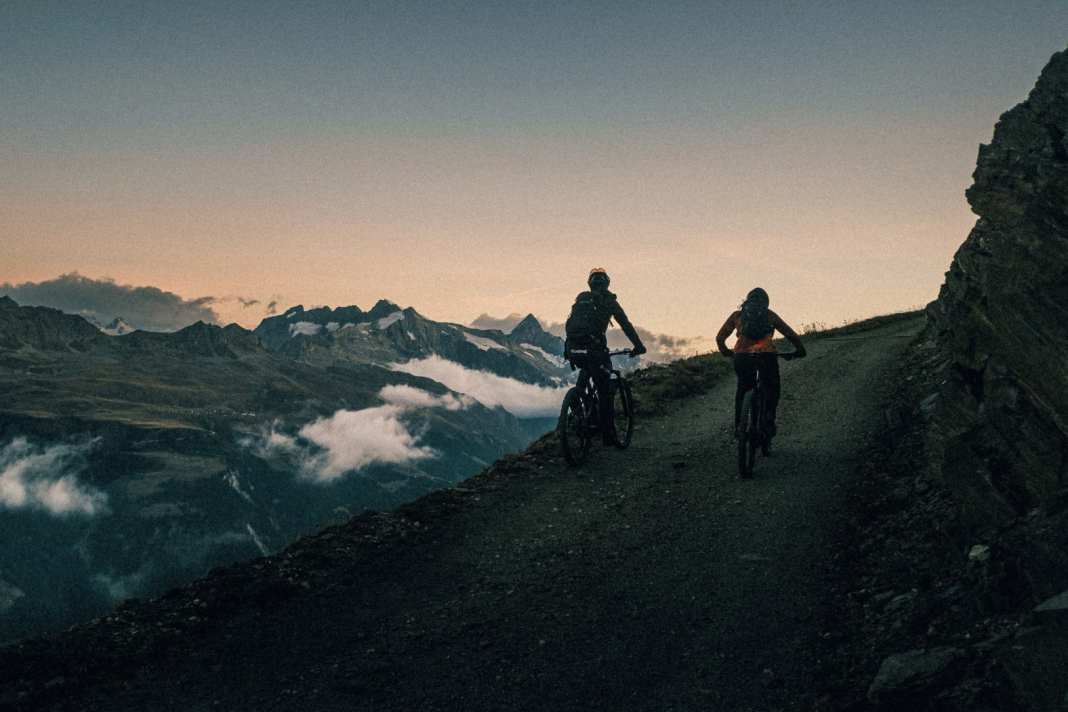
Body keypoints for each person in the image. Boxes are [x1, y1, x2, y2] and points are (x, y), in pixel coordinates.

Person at [564, 268, 647, 444]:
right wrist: (639, 346)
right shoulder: (610, 302)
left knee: (583, 380)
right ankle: (608, 435)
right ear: (607, 284)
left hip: (574, 349)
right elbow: (626, 325)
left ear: (590, 284)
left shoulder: (581, 299)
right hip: (596, 351)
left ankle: (581, 417)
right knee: (604, 390)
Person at [715, 287, 806, 438]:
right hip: (766, 356)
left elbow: (720, 338)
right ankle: (769, 421)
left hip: (742, 357)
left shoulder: (737, 315)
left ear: (747, 300)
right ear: (766, 303)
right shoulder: (770, 315)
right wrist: (800, 350)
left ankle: (739, 427)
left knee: (743, 388)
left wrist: (726, 352)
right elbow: (790, 334)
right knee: (772, 387)